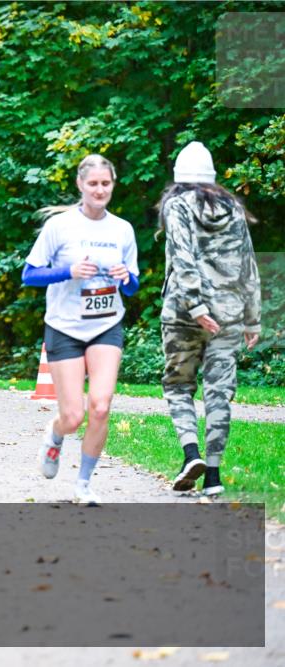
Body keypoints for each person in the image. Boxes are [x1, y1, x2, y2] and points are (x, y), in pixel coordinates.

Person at [22, 154, 140, 505]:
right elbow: (29, 275)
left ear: (113, 185)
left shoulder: (122, 229)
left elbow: (133, 286)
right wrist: (68, 271)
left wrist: (126, 278)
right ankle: (56, 435)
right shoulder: (60, 227)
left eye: (106, 183)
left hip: (106, 325)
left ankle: (83, 484)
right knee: (73, 416)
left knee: (101, 406)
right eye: (93, 183)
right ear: (80, 185)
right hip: (65, 326)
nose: (100, 189)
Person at [158, 141, 261, 496]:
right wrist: (253, 317)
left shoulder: (176, 205)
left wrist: (196, 306)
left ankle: (190, 454)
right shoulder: (233, 208)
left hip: (183, 314)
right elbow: (247, 263)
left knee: (178, 386)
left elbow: (183, 257)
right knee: (219, 394)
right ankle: (213, 477)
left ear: (178, 177)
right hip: (229, 315)